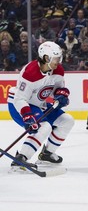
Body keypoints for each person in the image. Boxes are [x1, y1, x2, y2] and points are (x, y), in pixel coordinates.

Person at [7, 41, 74, 172]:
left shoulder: (58, 70)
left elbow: (59, 89)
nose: (58, 61)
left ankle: (47, 155)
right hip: (19, 105)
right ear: (45, 58)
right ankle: (21, 159)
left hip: (39, 104)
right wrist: (27, 116)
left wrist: (62, 95)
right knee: (44, 127)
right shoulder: (29, 72)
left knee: (67, 121)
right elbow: (20, 99)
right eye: (56, 58)